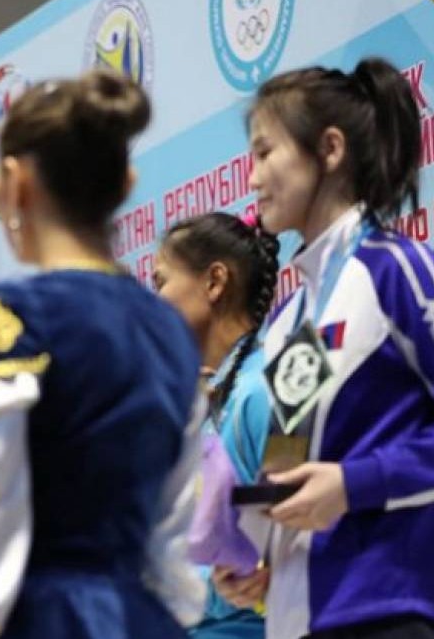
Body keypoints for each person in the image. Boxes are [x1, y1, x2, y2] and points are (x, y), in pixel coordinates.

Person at [0, 71, 202, 639]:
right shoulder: (169, 331)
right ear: (124, 182)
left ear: (15, 181)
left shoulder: (9, 321)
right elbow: (172, 539)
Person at [212, 58, 434, 639]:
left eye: (264, 153)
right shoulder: (290, 318)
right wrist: (256, 557)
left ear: (330, 149)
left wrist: (354, 485)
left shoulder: (397, 271)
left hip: (393, 612)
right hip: (300, 621)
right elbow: (289, 465)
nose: (251, 178)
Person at [154, 211, 280, 639]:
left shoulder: (263, 392)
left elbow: (280, 544)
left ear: (214, 282)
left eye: (160, 283)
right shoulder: (198, 402)